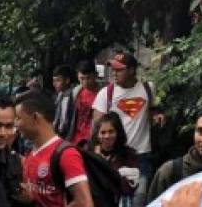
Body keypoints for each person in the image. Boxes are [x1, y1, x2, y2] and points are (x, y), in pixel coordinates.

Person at [92, 51, 165, 189]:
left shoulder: (148, 88)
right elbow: (97, 128)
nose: (114, 73)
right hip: (116, 156)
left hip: (142, 154)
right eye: (113, 69)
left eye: (119, 69)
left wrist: (157, 114)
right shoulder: (106, 94)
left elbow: (152, 109)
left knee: (140, 200)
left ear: (131, 70)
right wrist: (98, 154)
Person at [71, 61, 99, 145]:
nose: (85, 82)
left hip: (92, 139)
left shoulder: (103, 93)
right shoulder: (76, 92)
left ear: (95, 75)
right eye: (82, 78)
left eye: (88, 78)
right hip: (75, 139)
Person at [52, 65, 77, 140]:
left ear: (67, 80)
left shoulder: (71, 96)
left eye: (58, 80)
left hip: (67, 136)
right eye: (54, 80)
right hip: (59, 134)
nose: (54, 84)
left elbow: (70, 121)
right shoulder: (59, 95)